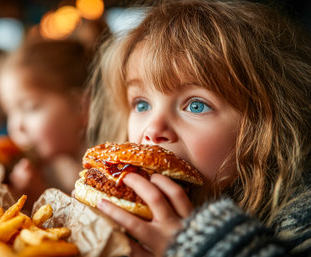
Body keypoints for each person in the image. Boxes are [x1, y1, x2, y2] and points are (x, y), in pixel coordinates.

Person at [87, 0, 311, 256]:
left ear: (266, 126)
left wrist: (195, 246)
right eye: (141, 104)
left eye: (196, 106)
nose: (153, 129)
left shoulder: (301, 220)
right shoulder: (128, 216)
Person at [0, 40, 91, 207]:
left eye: (29, 108)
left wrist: (40, 199)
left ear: (81, 107)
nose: (16, 126)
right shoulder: (45, 168)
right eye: (8, 111)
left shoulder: (104, 179)